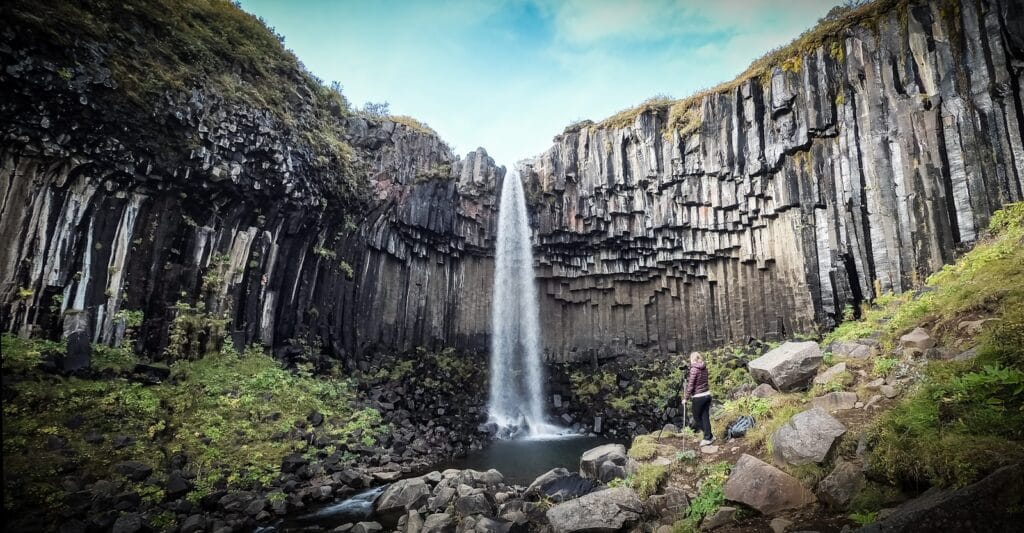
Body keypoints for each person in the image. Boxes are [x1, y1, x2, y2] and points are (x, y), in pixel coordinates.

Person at [683, 351, 714, 446]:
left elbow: (691, 385)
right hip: (707, 395)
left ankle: (708, 436)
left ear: (692, 359)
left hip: (698, 396)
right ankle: (709, 437)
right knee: (705, 417)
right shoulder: (704, 367)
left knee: (696, 417)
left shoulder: (693, 370)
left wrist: (686, 398)